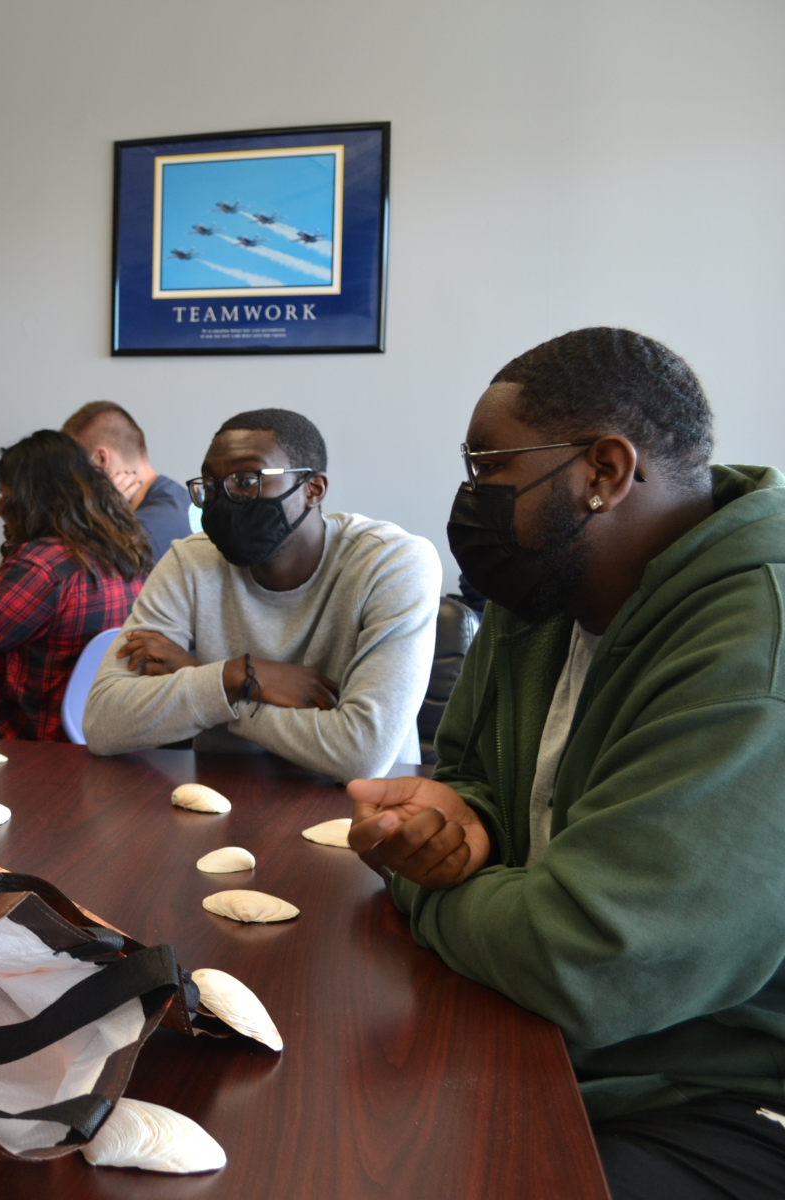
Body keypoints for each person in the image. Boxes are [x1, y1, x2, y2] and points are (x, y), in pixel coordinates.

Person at [347, 328, 785, 1200]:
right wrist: (441, 832)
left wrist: (428, 887)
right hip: (552, 1044)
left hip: (719, 1102)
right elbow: (466, 780)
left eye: (487, 468)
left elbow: (591, 960)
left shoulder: (755, 650)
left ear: (604, 473)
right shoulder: (550, 588)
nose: (469, 498)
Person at [83, 408, 440, 780]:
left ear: (312, 489)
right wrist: (235, 677)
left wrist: (210, 680)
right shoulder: (190, 561)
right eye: (211, 484)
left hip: (358, 809)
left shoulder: (393, 562)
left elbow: (361, 754)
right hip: (223, 797)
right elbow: (103, 722)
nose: (224, 498)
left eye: (246, 480)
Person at [0, 430, 148, 740]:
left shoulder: (43, 566)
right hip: (93, 740)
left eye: (4, 497)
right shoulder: (122, 550)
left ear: (27, 499)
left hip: (25, 743)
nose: (0, 510)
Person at [63, 400, 198, 564]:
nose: (75, 482)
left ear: (101, 459)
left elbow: (69, 567)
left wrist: (99, 511)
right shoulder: (183, 499)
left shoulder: (137, 532)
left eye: (76, 469)